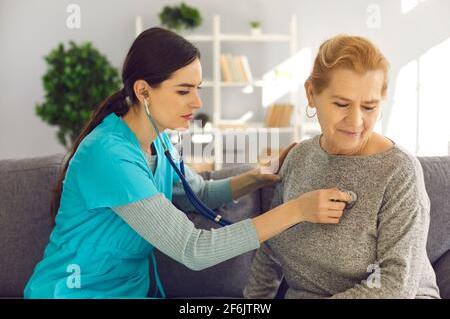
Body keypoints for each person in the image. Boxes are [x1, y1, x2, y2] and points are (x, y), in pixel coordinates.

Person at [24, 28, 352, 299]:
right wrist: (297, 210)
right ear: (143, 91)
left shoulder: (160, 139)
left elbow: (200, 194)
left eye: (197, 89)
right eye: (183, 91)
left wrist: (258, 177)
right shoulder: (109, 155)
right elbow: (193, 250)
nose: (196, 102)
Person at [243, 35, 440, 299]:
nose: (356, 120)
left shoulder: (398, 171)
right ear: (311, 93)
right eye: (341, 104)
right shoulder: (299, 157)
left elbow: (396, 284)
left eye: (369, 106)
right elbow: (271, 249)